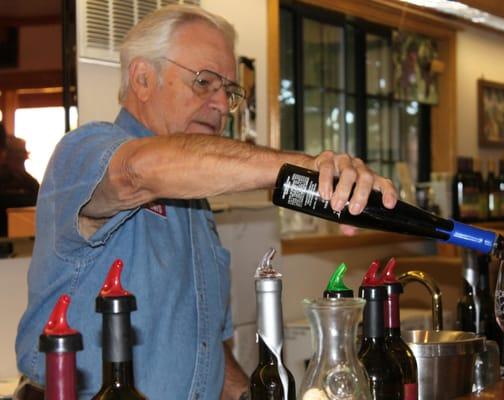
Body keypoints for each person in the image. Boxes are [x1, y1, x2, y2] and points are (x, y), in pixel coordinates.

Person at [14, 4, 398, 400]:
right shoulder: (84, 151)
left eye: (229, 91)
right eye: (204, 82)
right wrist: (306, 167)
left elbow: (204, 346)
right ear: (143, 78)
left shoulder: (195, 205)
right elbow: (137, 171)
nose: (219, 105)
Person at [0, 132, 39, 237]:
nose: (19, 157)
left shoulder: (31, 184)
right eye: (15, 153)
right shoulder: (3, 180)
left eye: (21, 153)